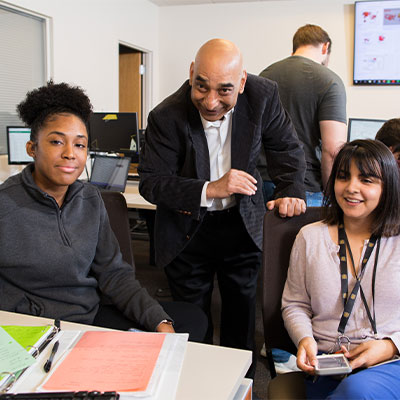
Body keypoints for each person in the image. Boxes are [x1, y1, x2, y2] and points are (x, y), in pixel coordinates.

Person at [138, 38, 307, 377]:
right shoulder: (165, 115)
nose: (210, 101)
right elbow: (151, 182)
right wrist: (210, 188)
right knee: (192, 322)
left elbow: (288, 151)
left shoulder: (263, 96)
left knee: (240, 320)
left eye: (224, 91)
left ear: (242, 82)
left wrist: (290, 189)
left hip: (241, 225)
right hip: (187, 231)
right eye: (200, 87)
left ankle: (238, 388)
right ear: (191, 74)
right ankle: (195, 386)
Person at [0, 81, 207, 342]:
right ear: (32, 148)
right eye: (56, 141)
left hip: (89, 318)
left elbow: (115, 275)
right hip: (33, 330)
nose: (69, 154)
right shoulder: (5, 205)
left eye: (80, 145)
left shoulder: (90, 199)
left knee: (191, 320)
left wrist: (159, 322)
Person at [282, 139, 400, 399]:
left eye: (367, 180)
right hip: (328, 364)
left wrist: (391, 347)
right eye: (343, 177)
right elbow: (295, 304)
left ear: (387, 186)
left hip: (390, 363)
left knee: (357, 391)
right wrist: (305, 340)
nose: (351, 188)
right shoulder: (309, 237)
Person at [258, 24, 347, 206]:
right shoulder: (330, 81)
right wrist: (332, 196)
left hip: (260, 182)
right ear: (325, 47)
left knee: (263, 235)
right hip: (304, 187)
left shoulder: (264, 75)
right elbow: (332, 150)